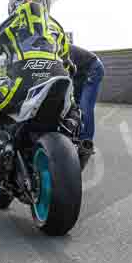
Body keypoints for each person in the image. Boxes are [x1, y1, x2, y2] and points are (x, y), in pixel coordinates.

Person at [0, 0, 76, 182]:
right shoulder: (57, 27)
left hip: (20, 82)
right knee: (72, 109)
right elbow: (68, 61)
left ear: (13, 5)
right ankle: (75, 140)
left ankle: (1, 142)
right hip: (57, 78)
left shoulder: (5, 26)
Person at [50, 21, 103, 162]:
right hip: (80, 73)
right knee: (75, 104)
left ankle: (86, 144)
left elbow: (64, 74)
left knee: (85, 107)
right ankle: (76, 136)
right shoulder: (48, 51)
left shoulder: (59, 49)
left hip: (93, 69)